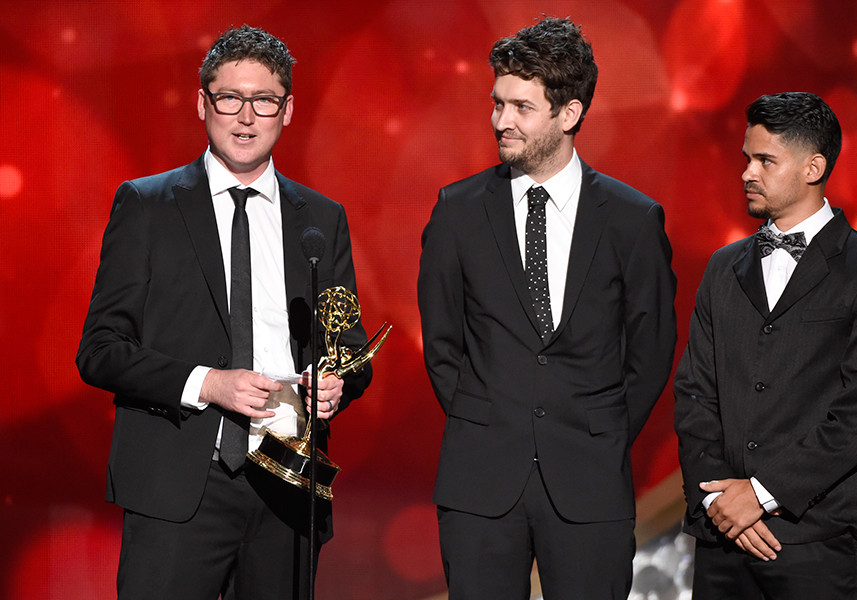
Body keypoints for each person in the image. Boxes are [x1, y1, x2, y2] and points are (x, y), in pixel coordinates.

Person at [76, 25, 371, 600]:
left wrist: (337, 382)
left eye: (264, 101)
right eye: (230, 98)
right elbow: (101, 350)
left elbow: (350, 348)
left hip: (287, 486)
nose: (246, 117)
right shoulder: (148, 205)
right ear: (202, 104)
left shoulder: (321, 218)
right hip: (177, 485)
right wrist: (208, 383)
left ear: (287, 110)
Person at [417, 16, 677, 599]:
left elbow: (651, 350)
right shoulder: (457, 212)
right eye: (498, 103)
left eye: (521, 108)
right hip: (480, 485)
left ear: (569, 113)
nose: (501, 121)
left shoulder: (632, 220)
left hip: (591, 484)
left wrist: (601, 433)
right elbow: (442, 345)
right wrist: (488, 423)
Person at [675, 92, 857, 599]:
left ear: (813, 168)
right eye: (746, 158)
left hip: (818, 544)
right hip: (721, 540)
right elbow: (695, 393)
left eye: (765, 161)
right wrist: (717, 501)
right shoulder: (722, 267)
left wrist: (761, 494)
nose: (747, 173)